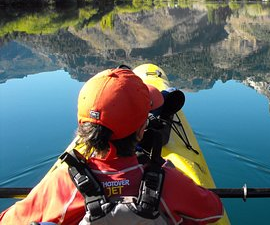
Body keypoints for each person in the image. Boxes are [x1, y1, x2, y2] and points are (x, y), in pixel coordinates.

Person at [0, 67, 224, 225]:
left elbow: (8, 221)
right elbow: (213, 211)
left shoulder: (63, 184)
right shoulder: (167, 182)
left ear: (83, 126)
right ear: (140, 131)